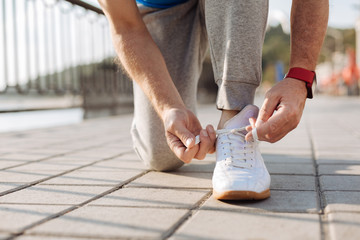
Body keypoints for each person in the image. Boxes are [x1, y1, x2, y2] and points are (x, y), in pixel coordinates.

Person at [98, 0, 329, 200]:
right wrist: (167, 107)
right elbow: (124, 27)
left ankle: (235, 122)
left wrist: (300, 77)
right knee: (163, 155)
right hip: (163, 5)